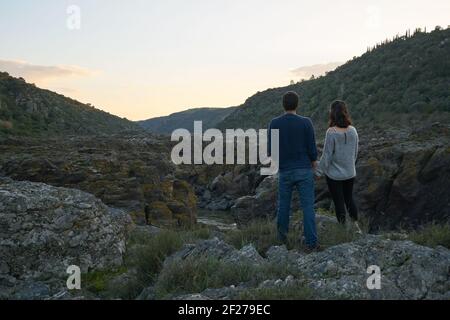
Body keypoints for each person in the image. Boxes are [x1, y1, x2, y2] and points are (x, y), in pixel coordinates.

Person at [268, 91, 319, 250]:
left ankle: (282, 241)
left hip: (285, 171)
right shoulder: (306, 122)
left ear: (283, 105)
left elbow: (271, 151)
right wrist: (313, 163)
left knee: (283, 206)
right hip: (304, 169)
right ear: (297, 104)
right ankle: (311, 243)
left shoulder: (274, 123)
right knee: (308, 207)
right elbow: (312, 149)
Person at [318, 100, 362, 233]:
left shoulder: (331, 132)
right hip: (350, 173)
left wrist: (319, 171)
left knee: (339, 202)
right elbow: (355, 152)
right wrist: (349, 166)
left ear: (332, 113)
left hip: (335, 176)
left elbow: (327, 156)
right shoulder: (353, 130)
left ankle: (343, 229)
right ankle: (356, 227)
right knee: (349, 199)